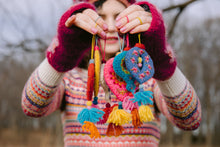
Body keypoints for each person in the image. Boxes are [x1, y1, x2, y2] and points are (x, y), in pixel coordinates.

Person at [21, 0, 201, 146]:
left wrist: (161, 61)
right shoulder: (69, 78)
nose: (111, 27)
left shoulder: (147, 81)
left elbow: (190, 119)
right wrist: (61, 56)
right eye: (100, 18)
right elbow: (31, 106)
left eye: (119, 18)